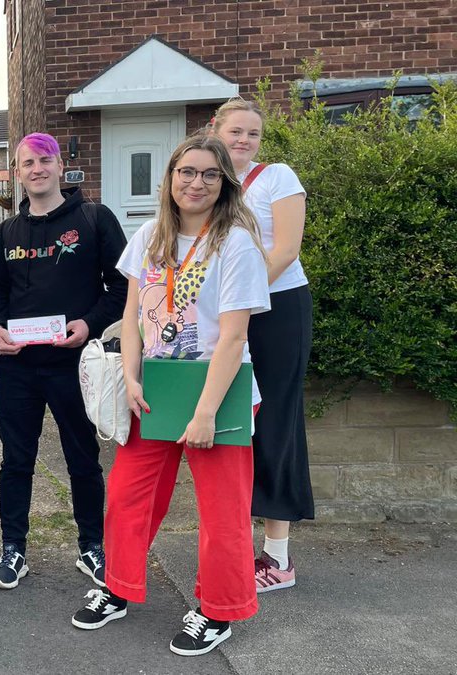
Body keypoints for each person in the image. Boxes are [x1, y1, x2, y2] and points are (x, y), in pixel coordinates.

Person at [71, 134, 270, 657]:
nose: (195, 183)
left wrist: (205, 413)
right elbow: (132, 317)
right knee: (129, 497)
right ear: (171, 178)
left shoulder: (236, 243)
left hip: (218, 392)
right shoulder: (150, 236)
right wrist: (132, 378)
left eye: (208, 174)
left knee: (223, 511)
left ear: (223, 182)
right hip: (156, 387)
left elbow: (233, 336)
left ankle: (217, 611)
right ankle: (116, 587)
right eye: (187, 172)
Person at [0, 132, 127, 589]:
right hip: (18, 368)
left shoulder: (94, 219)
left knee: (82, 459)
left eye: (45, 160)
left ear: (60, 166)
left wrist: (88, 324)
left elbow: (123, 289)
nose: (37, 169)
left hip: (75, 364)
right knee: (15, 460)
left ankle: (91, 548)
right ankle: (13, 551)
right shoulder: (7, 232)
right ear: (18, 172)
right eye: (27, 163)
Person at [212, 99, 313, 592]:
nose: (245, 140)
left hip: (277, 311)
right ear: (216, 130)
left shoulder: (277, 178)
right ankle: (236, 549)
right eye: (236, 131)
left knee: (274, 422)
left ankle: (277, 559)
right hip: (229, 315)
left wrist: (242, 302)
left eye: (253, 133)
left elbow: (286, 249)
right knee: (236, 426)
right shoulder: (206, 181)